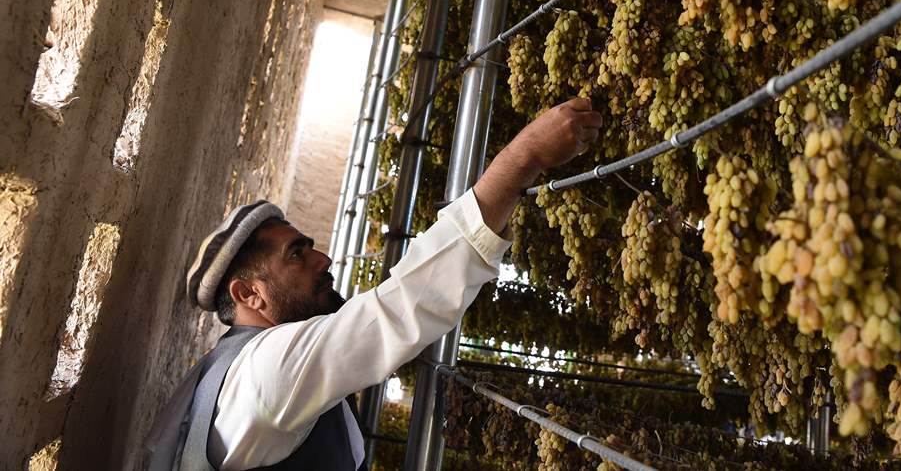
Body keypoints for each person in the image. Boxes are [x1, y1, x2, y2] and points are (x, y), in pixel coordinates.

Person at [144, 98, 603, 471]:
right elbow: (398, 311)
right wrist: (522, 159)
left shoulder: (228, 373)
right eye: (297, 255)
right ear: (248, 294)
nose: (323, 259)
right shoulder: (269, 371)